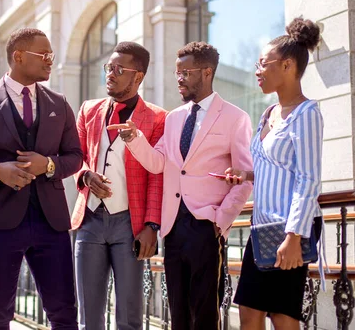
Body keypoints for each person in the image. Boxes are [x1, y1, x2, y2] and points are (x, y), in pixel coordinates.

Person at [108, 41, 254, 329]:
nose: (179, 79)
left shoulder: (236, 118)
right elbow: (158, 163)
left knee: (205, 313)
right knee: (177, 312)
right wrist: (135, 139)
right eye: (177, 73)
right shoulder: (174, 118)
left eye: (186, 73)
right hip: (173, 227)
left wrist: (220, 219)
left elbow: (245, 178)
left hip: (205, 225)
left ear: (207, 72)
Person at [0, 28, 82, 330]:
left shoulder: (59, 103)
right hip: (0, 221)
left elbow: (75, 156)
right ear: (18, 56)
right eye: (44, 55)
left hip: (52, 223)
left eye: (52, 55)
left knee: (64, 314)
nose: (51, 61)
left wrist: (47, 165)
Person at [222, 17, 323, 330]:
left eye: (264, 63)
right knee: (249, 313)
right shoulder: (268, 113)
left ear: (288, 65)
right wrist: (247, 175)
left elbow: (308, 178)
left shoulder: (307, 113)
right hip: (262, 228)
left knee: (282, 316)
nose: (257, 71)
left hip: (290, 230)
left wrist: (294, 236)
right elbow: (276, 165)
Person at [71, 41, 166, 330]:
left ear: (138, 76)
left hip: (131, 223)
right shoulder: (89, 110)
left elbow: (157, 175)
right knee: (89, 316)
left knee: (130, 316)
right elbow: (77, 157)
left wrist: (151, 225)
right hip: (89, 220)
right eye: (108, 67)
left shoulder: (158, 118)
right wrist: (86, 176)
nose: (110, 74)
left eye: (118, 69)